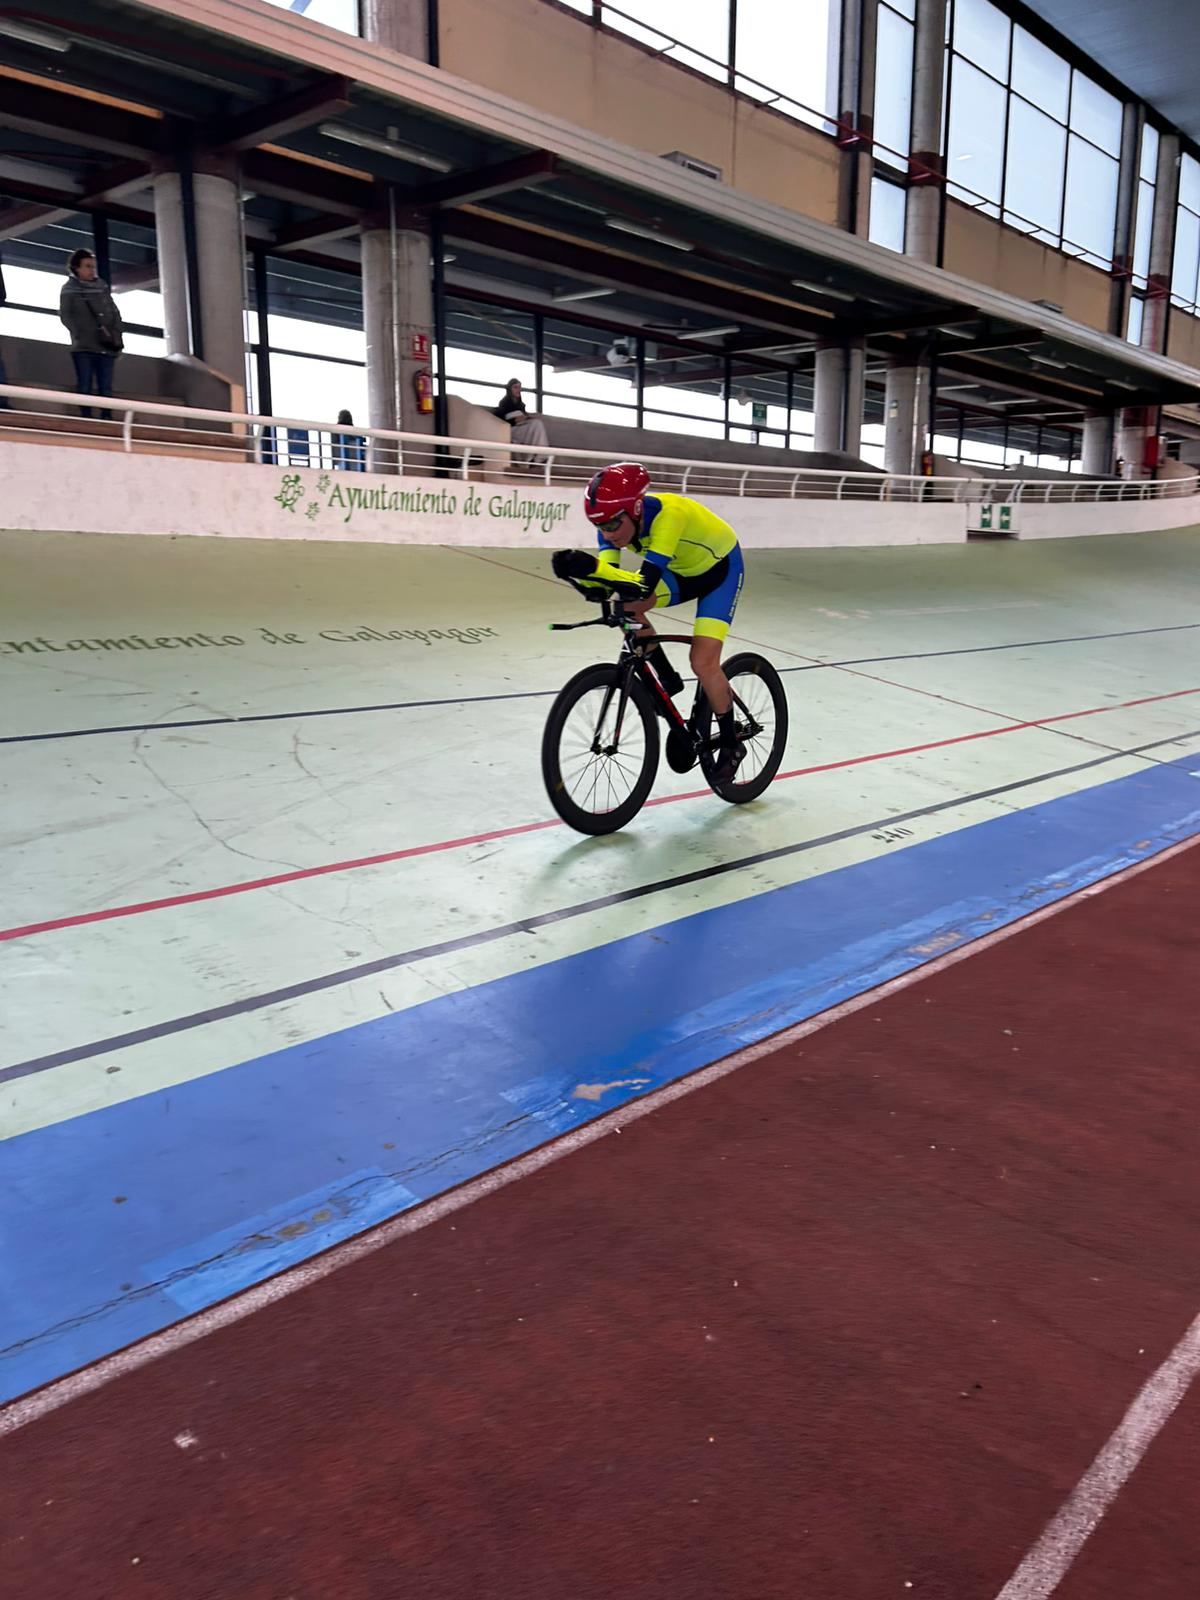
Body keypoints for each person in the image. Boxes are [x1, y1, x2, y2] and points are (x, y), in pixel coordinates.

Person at [552, 462, 747, 784]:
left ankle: (730, 744)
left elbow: (643, 583)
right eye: (599, 526)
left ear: (636, 509)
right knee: (628, 606)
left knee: (703, 661)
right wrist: (581, 576)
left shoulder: (669, 517)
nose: (607, 534)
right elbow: (608, 584)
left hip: (720, 573)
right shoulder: (612, 525)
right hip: (682, 572)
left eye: (614, 524)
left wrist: (592, 568)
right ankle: (667, 679)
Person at [59, 248, 123, 418]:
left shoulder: (102, 288)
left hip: (105, 345)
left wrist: (116, 332)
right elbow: (65, 314)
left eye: (93, 266)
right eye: (87, 266)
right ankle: (86, 417)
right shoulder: (69, 289)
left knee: (106, 385)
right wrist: (78, 332)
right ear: (76, 268)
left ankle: (107, 418)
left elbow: (114, 311)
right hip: (84, 347)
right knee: (85, 384)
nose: (91, 270)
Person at [494, 377, 548, 464]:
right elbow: (501, 421)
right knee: (536, 425)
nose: (518, 390)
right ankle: (540, 455)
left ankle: (540, 455)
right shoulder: (503, 404)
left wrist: (526, 418)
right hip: (512, 430)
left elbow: (524, 416)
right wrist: (515, 420)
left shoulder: (521, 405)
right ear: (509, 389)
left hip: (524, 427)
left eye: (519, 387)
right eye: (515, 387)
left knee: (537, 424)